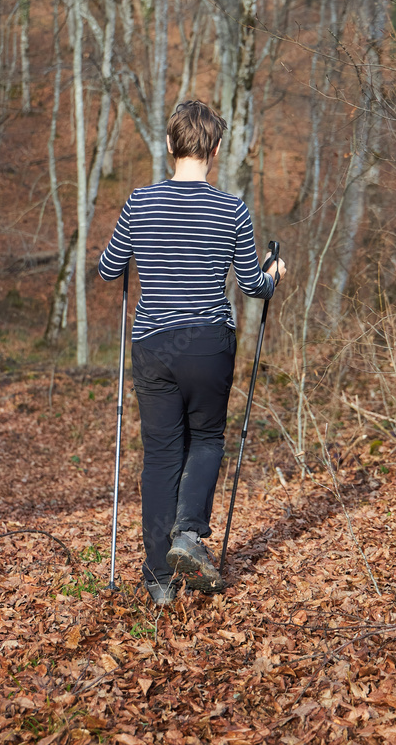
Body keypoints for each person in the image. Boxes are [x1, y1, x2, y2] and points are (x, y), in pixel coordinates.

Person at [98, 100, 286, 605]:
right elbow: (253, 286)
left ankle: (158, 578)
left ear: (168, 145)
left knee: (160, 455)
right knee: (205, 440)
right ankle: (187, 534)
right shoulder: (232, 209)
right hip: (208, 344)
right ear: (217, 150)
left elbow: (108, 269)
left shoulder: (139, 203)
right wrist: (275, 273)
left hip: (153, 344)